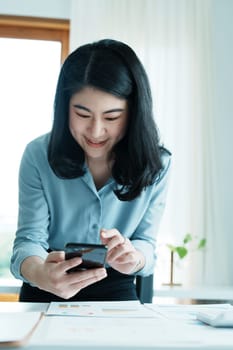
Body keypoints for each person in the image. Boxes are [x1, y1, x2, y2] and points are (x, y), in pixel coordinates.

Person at [10, 38, 171, 302]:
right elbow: (29, 239)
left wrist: (134, 257)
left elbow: (146, 243)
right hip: (46, 283)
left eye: (111, 117)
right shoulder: (38, 155)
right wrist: (39, 273)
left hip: (116, 288)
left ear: (133, 114)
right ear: (64, 108)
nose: (96, 131)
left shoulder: (158, 164)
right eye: (82, 114)